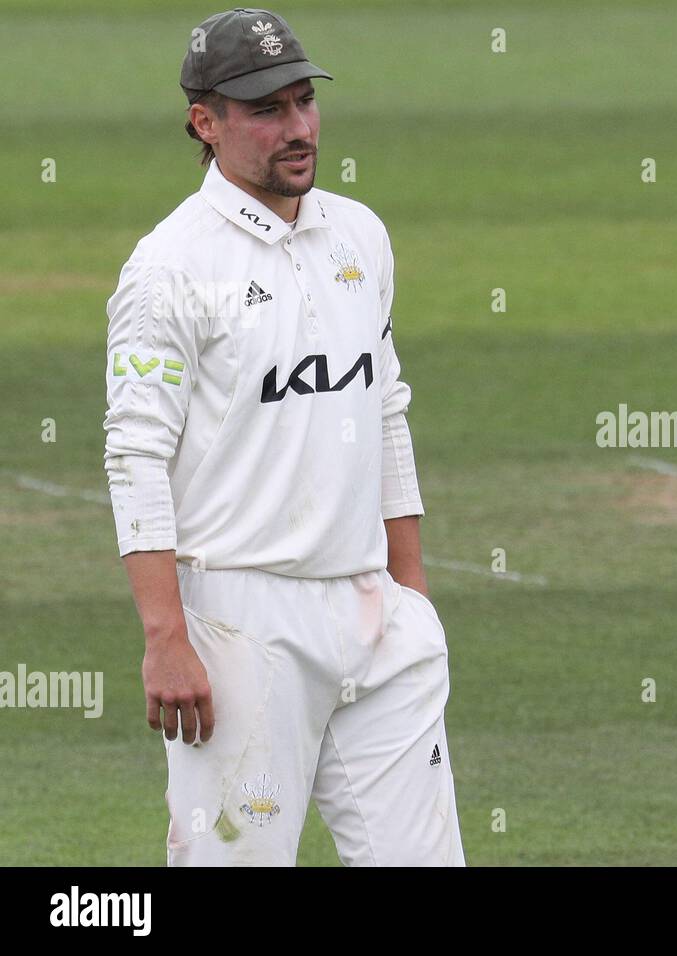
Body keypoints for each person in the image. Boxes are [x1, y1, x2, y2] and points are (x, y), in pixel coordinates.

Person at [102, 7, 464, 866]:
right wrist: (165, 636)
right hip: (240, 630)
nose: (298, 130)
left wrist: (411, 598)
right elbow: (135, 455)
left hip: (376, 616)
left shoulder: (359, 236)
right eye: (267, 111)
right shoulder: (168, 270)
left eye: (304, 102)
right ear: (206, 122)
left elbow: (386, 412)